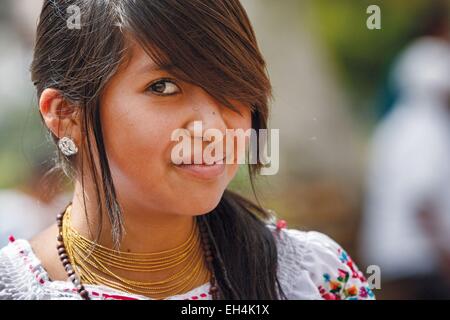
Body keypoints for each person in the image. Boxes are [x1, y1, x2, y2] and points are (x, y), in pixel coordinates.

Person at [0, 0, 374, 300]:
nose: (213, 129)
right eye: (163, 87)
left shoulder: (312, 278)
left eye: (229, 84)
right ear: (66, 114)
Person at [361, 5, 450, 299]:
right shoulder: (423, 129)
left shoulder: (401, 124)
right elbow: (420, 201)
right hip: (416, 263)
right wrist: (444, 257)